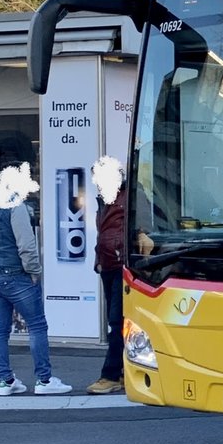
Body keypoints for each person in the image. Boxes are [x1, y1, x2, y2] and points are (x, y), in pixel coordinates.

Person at [0, 162, 72, 396]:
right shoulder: (14, 205)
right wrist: (35, 271)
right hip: (15, 275)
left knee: (0, 330)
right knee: (37, 326)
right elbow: (26, 245)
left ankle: (6, 381)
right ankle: (44, 381)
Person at [87, 158, 127, 395]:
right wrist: (99, 261)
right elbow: (102, 233)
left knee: (117, 322)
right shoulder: (105, 199)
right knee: (117, 322)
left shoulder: (128, 197)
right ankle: (120, 372)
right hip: (109, 266)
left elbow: (136, 229)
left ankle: (110, 375)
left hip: (122, 266)